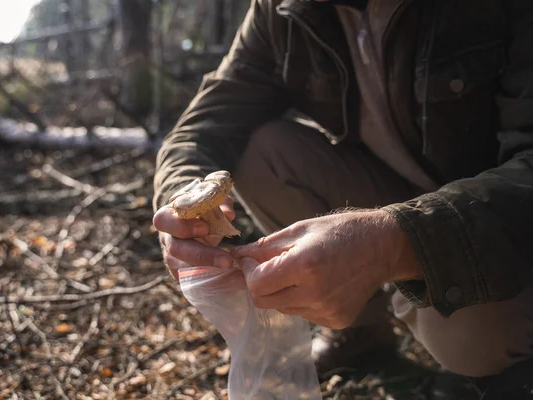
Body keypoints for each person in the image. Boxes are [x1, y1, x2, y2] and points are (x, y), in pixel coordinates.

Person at [152, 0, 533, 395]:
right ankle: (362, 331)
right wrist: (181, 197)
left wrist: (397, 243)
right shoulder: (281, 8)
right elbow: (211, 117)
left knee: (473, 341)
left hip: (490, 217)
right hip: (395, 189)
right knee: (261, 148)